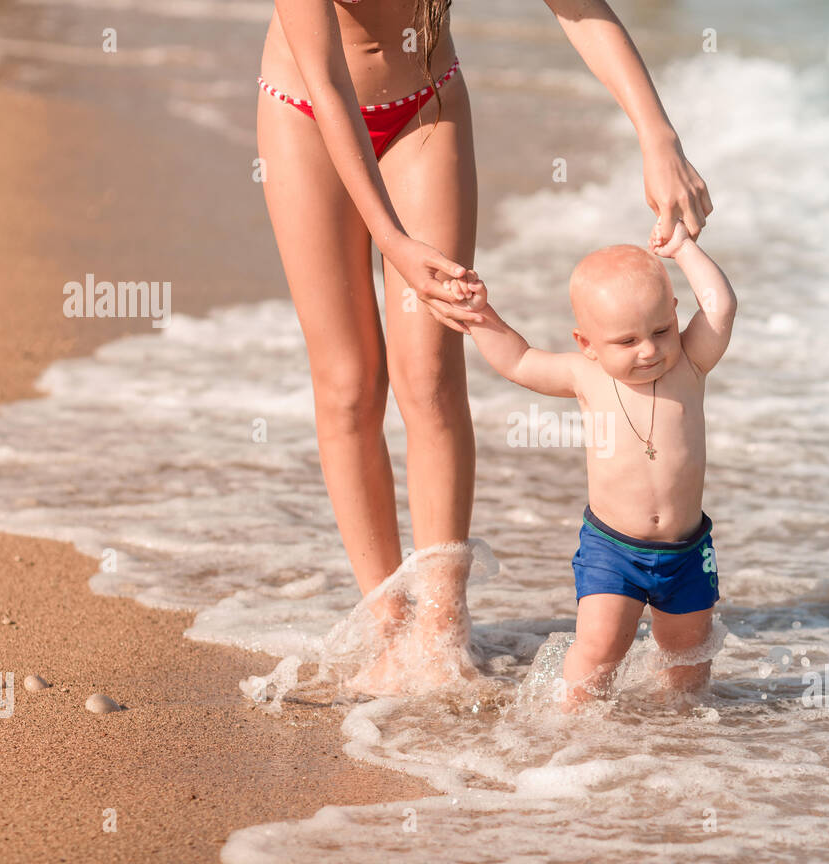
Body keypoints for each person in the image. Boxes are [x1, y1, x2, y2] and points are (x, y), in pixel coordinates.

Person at [256, 0, 712, 692]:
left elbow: (578, 6)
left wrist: (657, 134)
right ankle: (388, 628)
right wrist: (393, 241)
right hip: (308, 114)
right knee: (349, 383)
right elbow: (326, 79)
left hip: (423, 108)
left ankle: (440, 631)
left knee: (432, 373)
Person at [446, 220, 737, 705]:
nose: (648, 351)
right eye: (626, 342)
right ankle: (568, 732)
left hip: (686, 551)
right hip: (613, 551)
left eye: (661, 330)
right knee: (599, 652)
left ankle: (681, 746)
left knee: (688, 664)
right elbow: (518, 361)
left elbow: (721, 307)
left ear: (674, 313)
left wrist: (684, 249)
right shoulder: (586, 376)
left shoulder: (690, 362)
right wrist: (482, 317)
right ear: (588, 344)